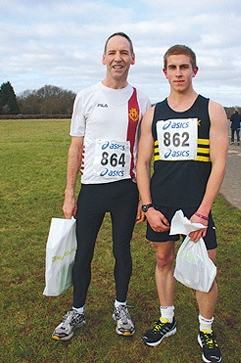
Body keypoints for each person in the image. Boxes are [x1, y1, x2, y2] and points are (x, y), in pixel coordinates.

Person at [52, 32, 151, 341]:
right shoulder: (86, 96)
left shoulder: (143, 100)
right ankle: (77, 310)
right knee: (84, 254)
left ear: (133, 58)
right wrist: (70, 193)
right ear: (104, 57)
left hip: (126, 190)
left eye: (124, 52)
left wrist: (144, 197)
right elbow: (74, 148)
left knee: (122, 251)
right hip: (92, 189)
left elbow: (145, 156)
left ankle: (121, 307)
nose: (118, 58)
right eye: (112, 52)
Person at [136, 45, 228, 363]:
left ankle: (206, 329)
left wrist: (203, 211)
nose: (178, 73)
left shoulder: (212, 110)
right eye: (172, 67)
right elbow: (142, 161)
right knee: (163, 261)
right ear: (165, 72)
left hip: (196, 206)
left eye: (184, 67)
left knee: (206, 269)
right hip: (162, 204)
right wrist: (148, 206)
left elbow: (219, 163)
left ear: (194, 71)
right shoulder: (153, 114)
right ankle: (167, 320)